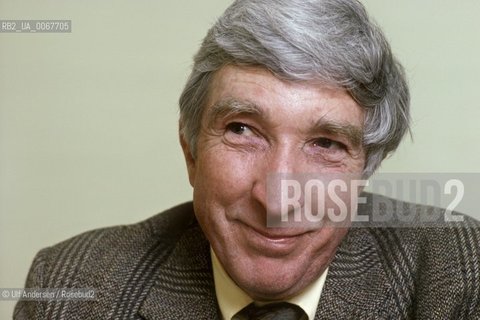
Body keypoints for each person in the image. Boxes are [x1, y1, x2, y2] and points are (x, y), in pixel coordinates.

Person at [14, 0, 480, 319]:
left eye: (326, 144)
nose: (277, 200)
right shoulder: (70, 291)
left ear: (365, 169)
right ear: (190, 150)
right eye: (242, 130)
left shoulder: (459, 272)